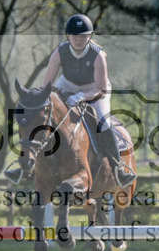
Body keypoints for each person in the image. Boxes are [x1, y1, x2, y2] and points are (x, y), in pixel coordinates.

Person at [9, 14, 136, 187]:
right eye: (75, 35)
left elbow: (100, 88)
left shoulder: (98, 55)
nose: (78, 39)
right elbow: (46, 85)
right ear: (68, 36)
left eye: (83, 35)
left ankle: (118, 169)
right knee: (45, 114)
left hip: (96, 89)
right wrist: (37, 100)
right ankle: (23, 166)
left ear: (89, 36)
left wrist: (82, 97)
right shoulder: (60, 52)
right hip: (68, 85)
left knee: (103, 122)